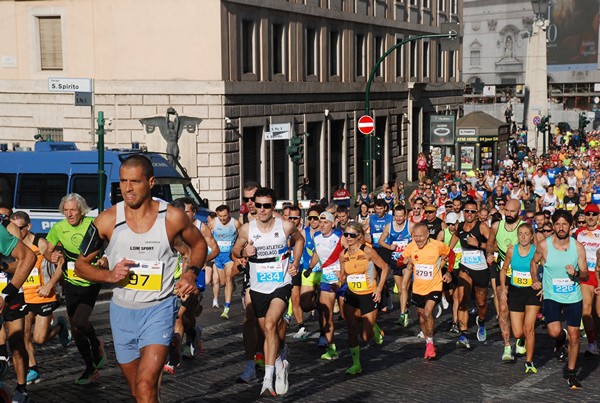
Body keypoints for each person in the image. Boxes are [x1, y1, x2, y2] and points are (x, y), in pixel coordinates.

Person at [75, 155, 208, 402]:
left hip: (159, 308)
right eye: (123, 181)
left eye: (135, 181)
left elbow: (199, 244)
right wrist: (109, 275)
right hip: (122, 312)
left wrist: (191, 273)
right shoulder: (107, 219)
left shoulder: (172, 217)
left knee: (146, 385)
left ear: (151, 182)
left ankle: (171, 342)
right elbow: (80, 267)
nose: (127, 188)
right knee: (138, 390)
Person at [230, 187, 304, 397]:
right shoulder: (247, 229)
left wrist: (295, 263)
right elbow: (235, 250)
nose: (261, 210)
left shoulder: (286, 225)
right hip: (258, 286)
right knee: (266, 330)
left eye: (266, 206)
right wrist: (243, 252)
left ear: (273, 207)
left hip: (281, 283)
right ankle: (280, 361)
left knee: (271, 323)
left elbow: (299, 240)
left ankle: (268, 379)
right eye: (258, 205)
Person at [44, 193, 105, 384]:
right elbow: (47, 249)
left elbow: (110, 244)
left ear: (81, 210)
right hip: (71, 281)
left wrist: (105, 258)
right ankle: (89, 367)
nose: (69, 214)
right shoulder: (58, 228)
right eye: (66, 210)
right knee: (76, 329)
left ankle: (96, 344)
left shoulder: (93, 224)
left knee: (80, 321)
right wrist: (50, 256)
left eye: (73, 210)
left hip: (91, 281)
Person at [10, 211, 71, 386]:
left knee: (39, 339)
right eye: (11, 228)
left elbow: (61, 263)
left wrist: (50, 284)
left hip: (43, 296)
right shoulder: (14, 246)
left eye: (19, 228)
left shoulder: (40, 243)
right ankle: (33, 369)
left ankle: (60, 327)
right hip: (24, 296)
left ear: (28, 227)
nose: (14, 232)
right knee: (23, 335)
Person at [530, 210, 588, 389]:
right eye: (557, 224)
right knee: (554, 332)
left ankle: (571, 373)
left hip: (572, 295)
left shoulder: (577, 247)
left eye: (565, 224)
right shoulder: (544, 245)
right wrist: (535, 280)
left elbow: (585, 275)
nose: (561, 228)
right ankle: (560, 340)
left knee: (575, 335)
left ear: (570, 226)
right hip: (552, 294)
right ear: (553, 226)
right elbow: (533, 262)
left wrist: (577, 273)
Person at [338, 222, 387, 374]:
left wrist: (379, 289)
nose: (348, 238)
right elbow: (343, 277)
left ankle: (375, 329)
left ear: (359, 236)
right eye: (346, 234)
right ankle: (356, 364)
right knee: (351, 331)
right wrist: (338, 283)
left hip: (369, 294)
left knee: (366, 336)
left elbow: (385, 267)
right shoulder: (343, 254)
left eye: (352, 235)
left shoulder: (368, 251)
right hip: (351, 295)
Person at [403, 223, 455, 359]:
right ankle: (428, 342)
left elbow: (452, 254)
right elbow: (400, 261)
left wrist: (449, 272)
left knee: (427, 312)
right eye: (415, 236)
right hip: (418, 287)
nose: (418, 239)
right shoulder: (411, 246)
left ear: (427, 235)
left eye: (420, 236)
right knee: (421, 318)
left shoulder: (437, 245)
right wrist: (405, 261)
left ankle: (431, 344)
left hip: (435, 285)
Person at [0, 215, 37, 402]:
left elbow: (25, 260)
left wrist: (3, 266)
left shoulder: (7, 229)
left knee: (16, 343)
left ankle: (21, 389)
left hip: (10, 292)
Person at [486, 199, 524, 362]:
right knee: (503, 308)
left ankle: (521, 337)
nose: (508, 214)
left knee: (520, 310)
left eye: (512, 211)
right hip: (503, 271)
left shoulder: (524, 228)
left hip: (522, 274)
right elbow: (489, 243)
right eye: (506, 211)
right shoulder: (497, 226)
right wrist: (489, 253)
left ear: (519, 212)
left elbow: (535, 247)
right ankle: (507, 346)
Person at [449, 199, 490, 349]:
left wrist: (478, 244)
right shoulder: (459, 227)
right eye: (467, 211)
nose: (470, 214)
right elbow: (450, 246)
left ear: (477, 213)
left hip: (481, 269)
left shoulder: (482, 227)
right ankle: (463, 334)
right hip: (465, 267)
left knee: (481, 303)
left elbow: (494, 246)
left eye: (473, 211)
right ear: (463, 212)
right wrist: (444, 256)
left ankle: (482, 322)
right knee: (462, 300)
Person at [499, 223, 541, 373]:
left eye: (526, 234)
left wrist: (542, 285)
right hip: (515, 292)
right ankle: (521, 339)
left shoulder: (537, 251)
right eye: (520, 234)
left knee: (528, 328)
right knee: (517, 332)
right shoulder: (512, 250)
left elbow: (545, 269)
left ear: (531, 236)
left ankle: (529, 361)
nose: (523, 237)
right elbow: (504, 270)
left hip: (532, 292)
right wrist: (504, 288)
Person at [306, 212, 345, 359]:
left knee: (345, 314)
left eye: (325, 222)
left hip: (341, 280)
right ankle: (331, 347)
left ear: (333, 223)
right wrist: (310, 268)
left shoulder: (340, 237)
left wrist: (343, 272)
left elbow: (350, 253)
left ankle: (373, 326)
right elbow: (317, 253)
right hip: (326, 279)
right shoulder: (316, 237)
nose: (321, 225)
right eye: (320, 222)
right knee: (326, 314)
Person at [378, 205, 412, 326]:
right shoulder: (389, 226)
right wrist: (389, 247)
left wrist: (411, 254)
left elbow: (418, 240)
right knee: (401, 290)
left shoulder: (410, 226)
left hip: (407, 262)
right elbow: (380, 241)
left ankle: (402, 314)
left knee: (403, 287)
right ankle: (405, 310)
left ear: (405, 215)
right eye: (396, 216)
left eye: (401, 216)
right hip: (395, 261)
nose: (398, 218)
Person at [573, 203, 600, 355]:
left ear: (598, 217)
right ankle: (591, 343)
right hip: (586, 275)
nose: (590, 217)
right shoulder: (578, 233)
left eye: (593, 214)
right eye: (588, 214)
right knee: (586, 309)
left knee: (599, 312)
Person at [209, 205, 241, 319]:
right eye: (220, 216)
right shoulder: (213, 223)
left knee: (227, 278)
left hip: (229, 256)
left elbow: (242, 237)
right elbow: (207, 237)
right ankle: (232, 284)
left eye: (225, 216)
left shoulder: (235, 223)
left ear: (229, 213)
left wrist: (238, 251)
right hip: (218, 256)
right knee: (223, 282)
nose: (223, 219)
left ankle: (226, 308)